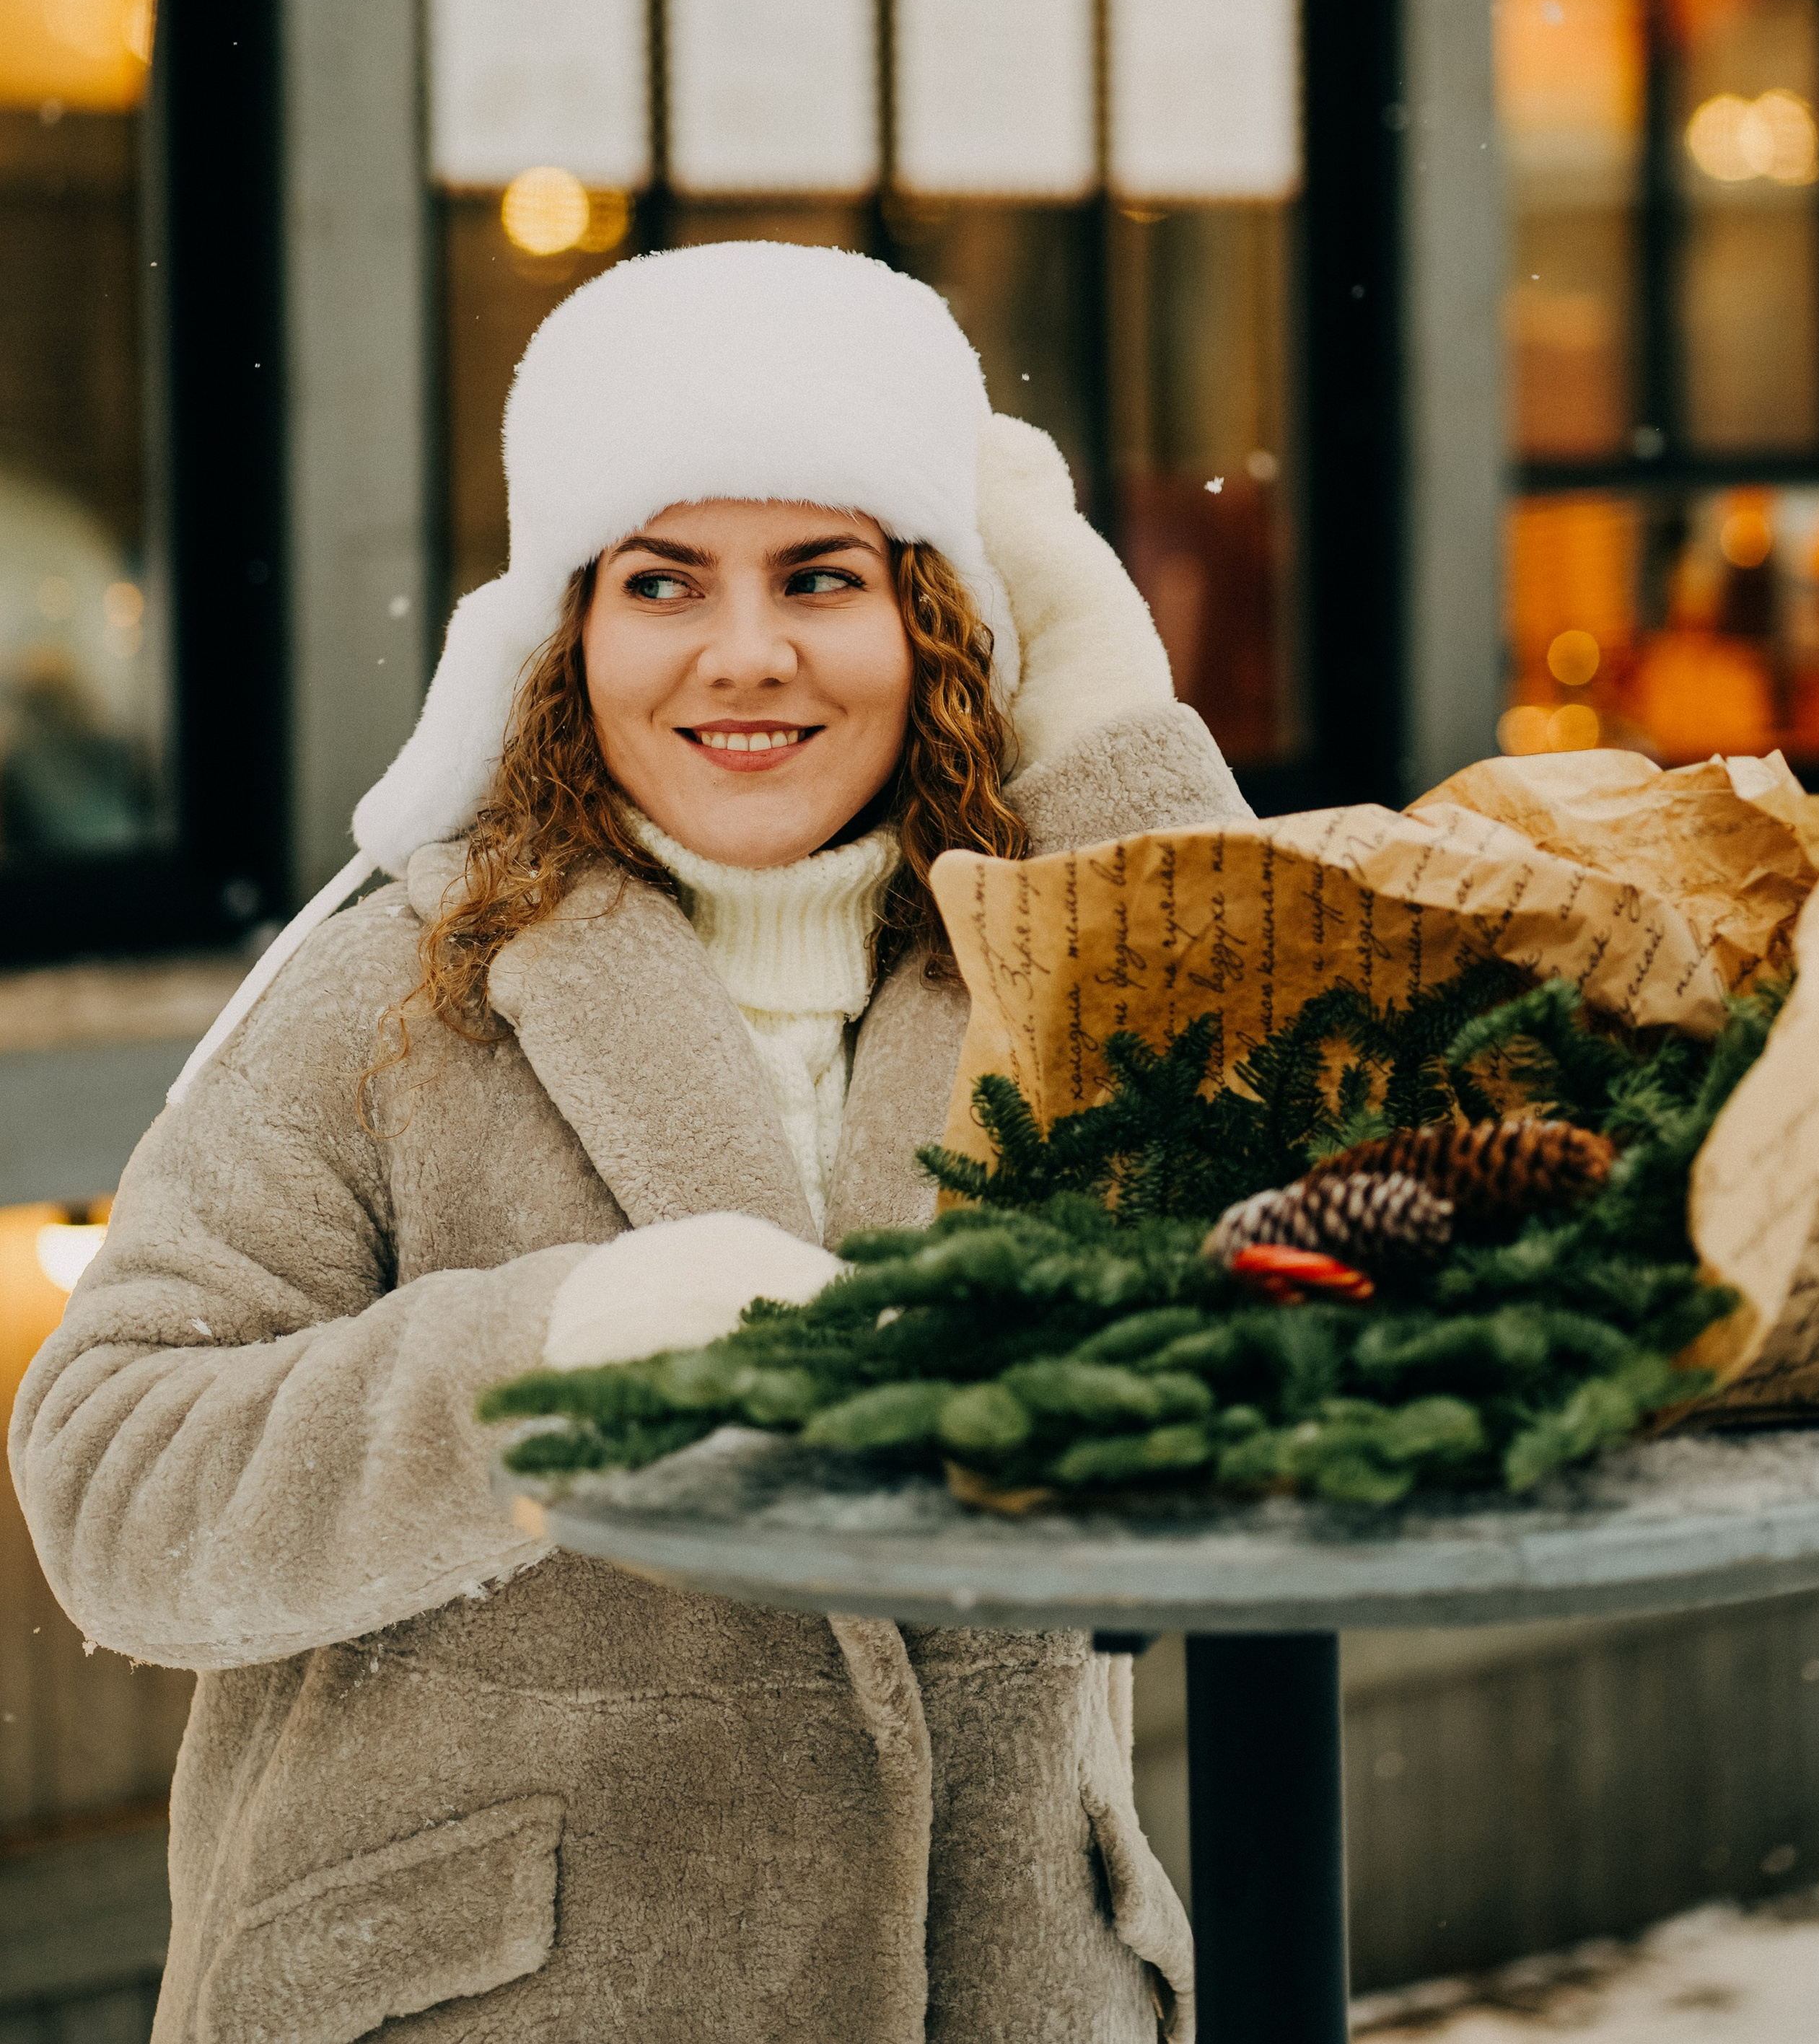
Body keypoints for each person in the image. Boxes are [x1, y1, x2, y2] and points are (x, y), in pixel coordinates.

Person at [12, 242, 1250, 2044]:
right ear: (566, 636)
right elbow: (117, 1493)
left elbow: (1343, 1230)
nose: (744, 653)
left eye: (822, 577)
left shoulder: (1044, 972)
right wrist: (560, 1358)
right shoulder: (395, 990)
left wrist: (1109, 727)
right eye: (662, 581)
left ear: (936, 621)